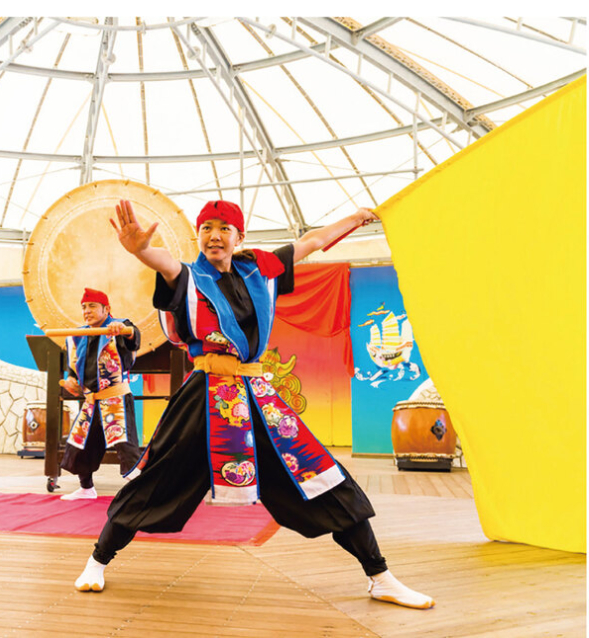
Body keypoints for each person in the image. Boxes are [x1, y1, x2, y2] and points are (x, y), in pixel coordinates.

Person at [73, 200, 434, 610]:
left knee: (317, 473)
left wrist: (356, 217)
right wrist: (141, 250)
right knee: (155, 479)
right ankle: (97, 561)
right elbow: (166, 264)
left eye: (224, 228)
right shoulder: (189, 277)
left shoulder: (260, 270)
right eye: (206, 228)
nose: (214, 236)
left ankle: (381, 576)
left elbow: (312, 241)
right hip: (203, 396)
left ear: (239, 236)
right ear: (198, 235)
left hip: (257, 396)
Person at [60, 288, 142, 500]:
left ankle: (143, 491)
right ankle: (86, 488)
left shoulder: (120, 326)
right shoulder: (78, 335)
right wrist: (71, 380)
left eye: (92, 306)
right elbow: (73, 367)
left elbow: (134, 337)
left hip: (116, 397)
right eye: (83, 307)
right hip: (91, 400)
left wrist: (124, 330)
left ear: (107, 309)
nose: (86, 311)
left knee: (126, 446)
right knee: (81, 444)